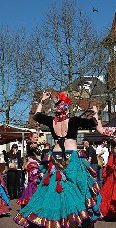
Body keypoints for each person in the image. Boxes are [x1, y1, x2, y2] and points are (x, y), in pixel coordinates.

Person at [14, 91, 102, 228]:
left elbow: (36, 116)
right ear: (67, 108)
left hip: (56, 157)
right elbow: (94, 123)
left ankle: (59, 220)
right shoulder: (73, 120)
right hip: (71, 157)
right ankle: (72, 219)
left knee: (55, 188)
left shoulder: (51, 121)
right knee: (75, 188)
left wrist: (42, 101)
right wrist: (96, 112)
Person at [16, 132, 42, 207]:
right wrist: (41, 143)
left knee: (37, 182)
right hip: (32, 166)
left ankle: (35, 201)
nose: (36, 138)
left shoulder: (36, 146)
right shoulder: (29, 144)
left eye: (37, 137)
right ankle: (30, 201)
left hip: (37, 166)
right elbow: (32, 147)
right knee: (33, 182)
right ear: (31, 138)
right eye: (35, 137)